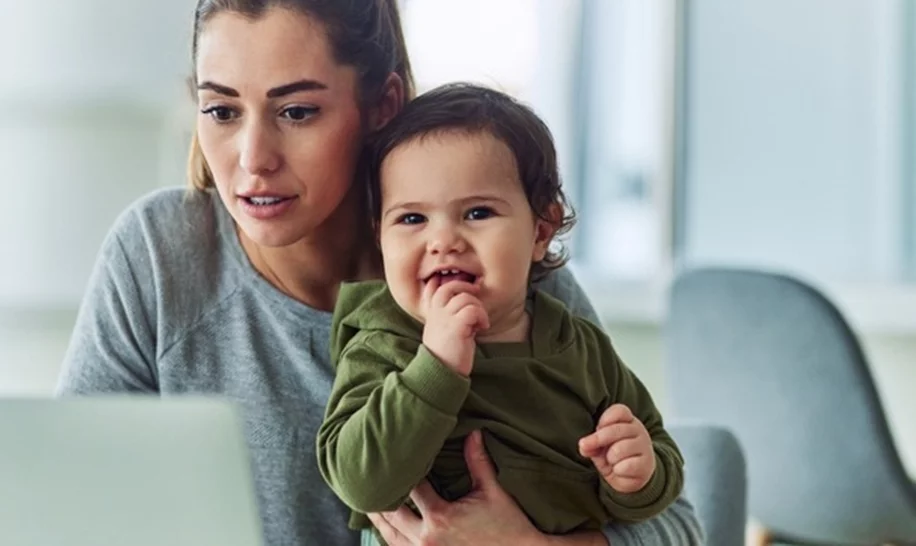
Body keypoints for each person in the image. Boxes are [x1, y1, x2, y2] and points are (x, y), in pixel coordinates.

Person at [56, 1, 705, 544]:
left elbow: (677, 526)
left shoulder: (488, 266)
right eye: (223, 111)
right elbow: (65, 506)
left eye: (297, 111)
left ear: (382, 104)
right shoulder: (160, 255)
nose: (253, 160)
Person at [317, 83, 684, 539]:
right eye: (412, 219)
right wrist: (435, 367)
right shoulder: (385, 340)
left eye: (477, 213)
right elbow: (359, 483)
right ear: (380, 237)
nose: (443, 240)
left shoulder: (577, 343)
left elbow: (659, 458)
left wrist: (638, 474)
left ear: (540, 231)